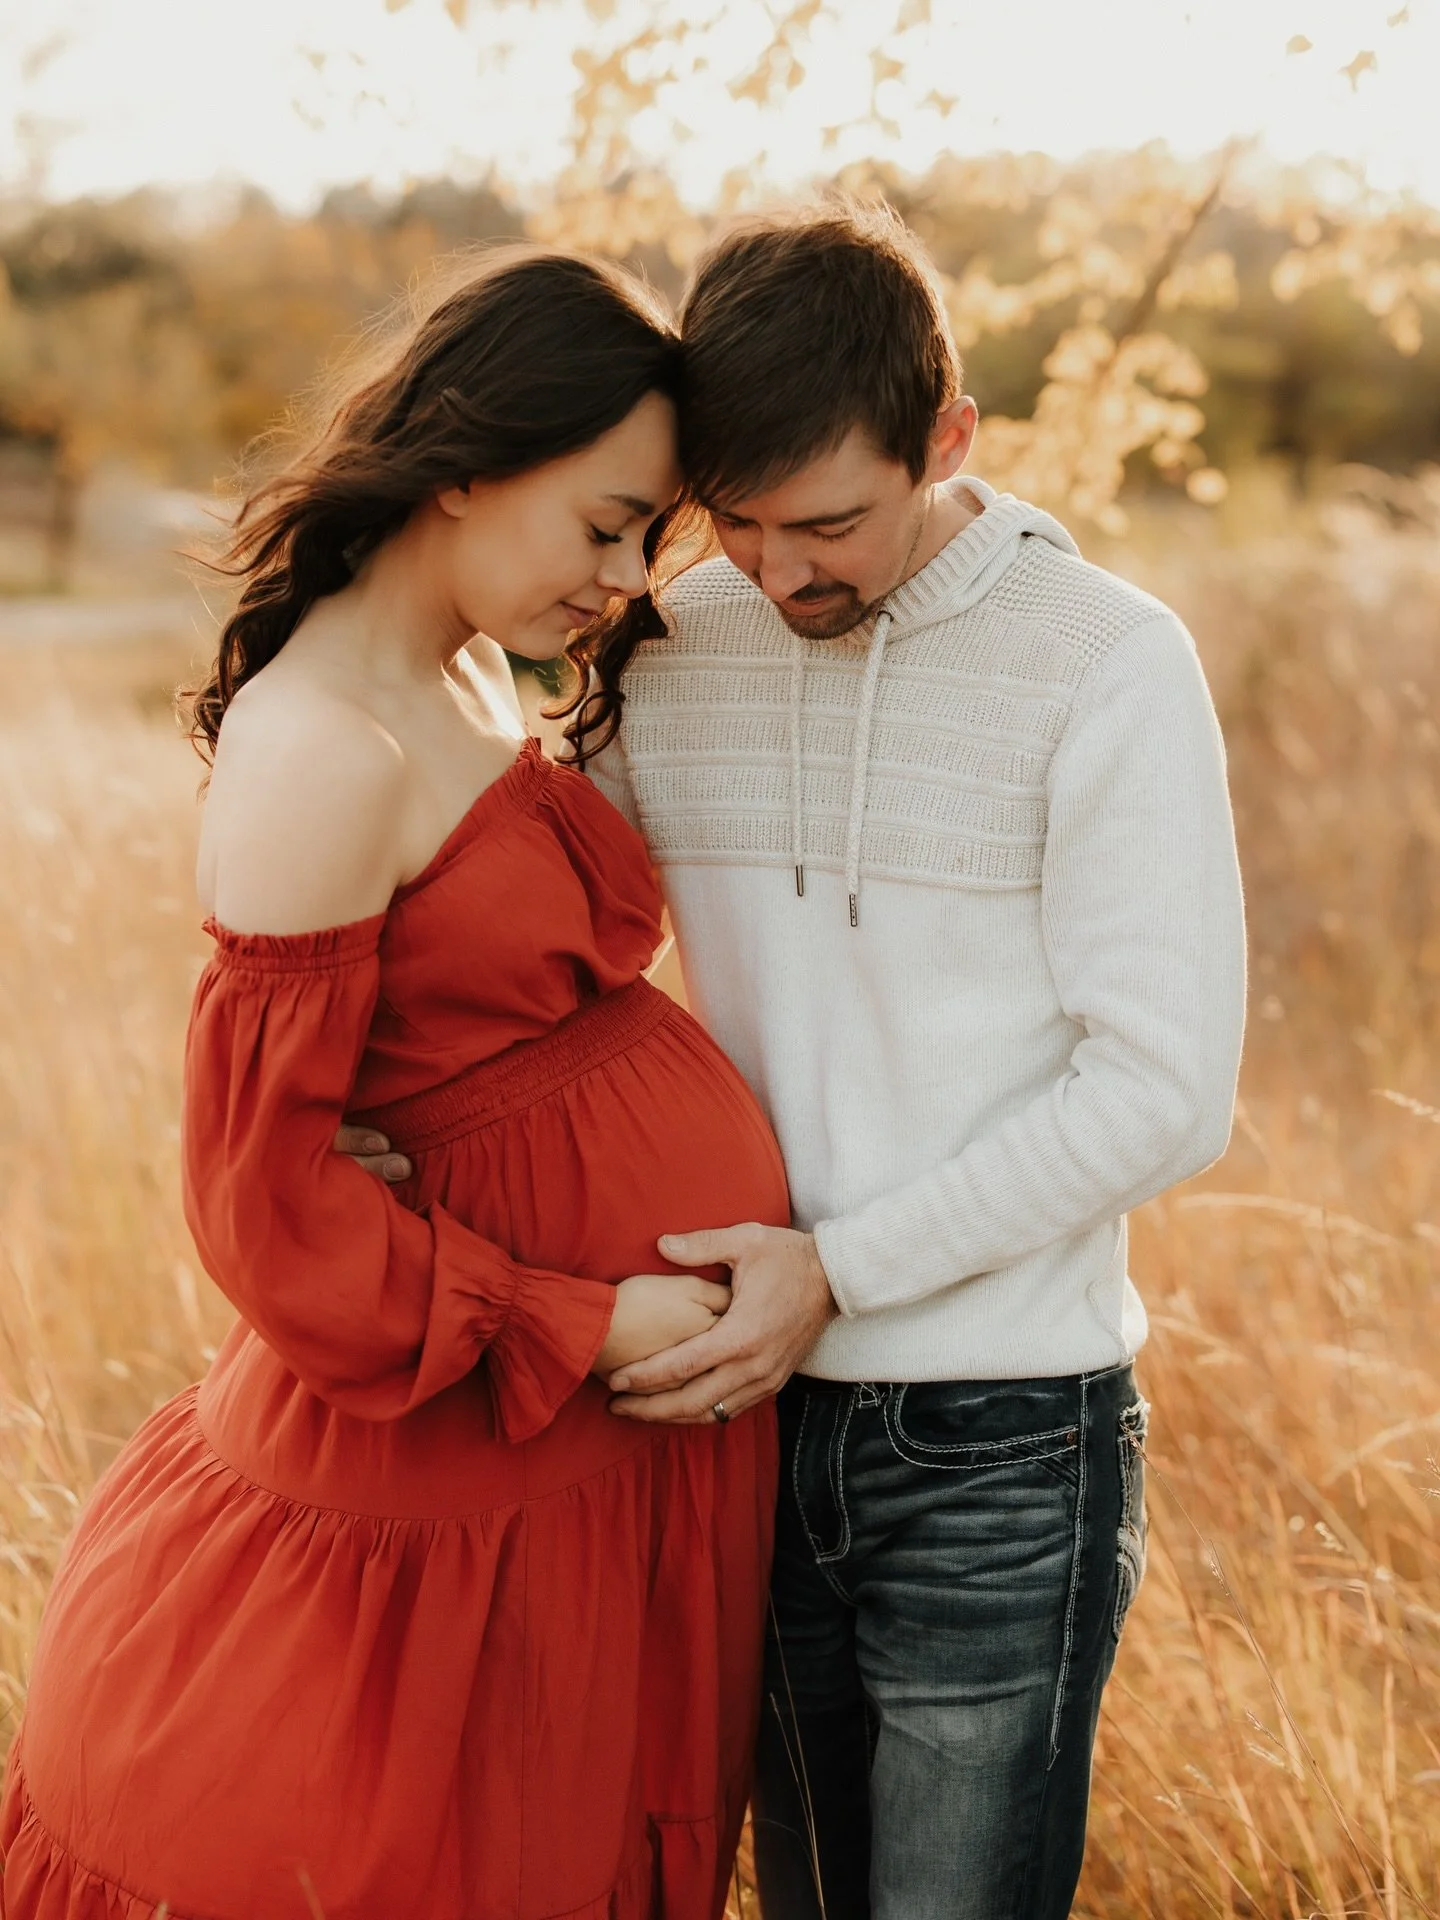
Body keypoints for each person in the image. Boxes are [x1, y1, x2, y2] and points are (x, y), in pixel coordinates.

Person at [0, 246, 790, 1920]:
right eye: (606, 524)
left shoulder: (470, 667)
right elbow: (263, 1207)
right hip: (472, 1434)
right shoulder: (320, 749)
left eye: (653, 536)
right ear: (467, 462)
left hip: (581, 1451)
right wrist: (579, 1321)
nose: (629, 574)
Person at [569, 202, 1247, 1918]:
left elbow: (1164, 1088)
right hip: (734, 1420)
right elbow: (548, 954)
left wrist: (842, 1275)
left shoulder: (1107, 662)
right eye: (736, 524)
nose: (780, 570)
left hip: (1002, 1440)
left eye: (831, 522)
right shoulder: (674, 640)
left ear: (950, 439)